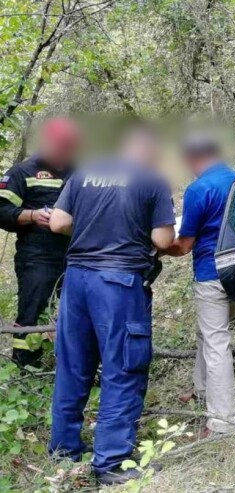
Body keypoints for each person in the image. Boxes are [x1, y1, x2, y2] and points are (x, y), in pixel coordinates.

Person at [48, 126, 175, 485]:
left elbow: (58, 222)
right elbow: (162, 238)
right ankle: (112, 461)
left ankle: (64, 451)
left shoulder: (84, 173)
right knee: (123, 367)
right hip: (118, 284)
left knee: (73, 365)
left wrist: (91, 232)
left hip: (77, 281)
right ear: (149, 151)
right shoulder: (152, 181)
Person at [163, 134, 235, 436]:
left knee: (217, 341)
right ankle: (201, 389)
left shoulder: (199, 189)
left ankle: (222, 422)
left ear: (192, 159)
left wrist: (160, 247)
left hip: (212, 273)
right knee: (208, 332)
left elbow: (183, 245)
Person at [0, 118, 79, 366]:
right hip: (37, 258)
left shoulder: (80, 172)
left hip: (77, 256)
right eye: (59, 144)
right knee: (32, 313)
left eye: (68, 145)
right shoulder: (22, 172)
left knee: (76, 313)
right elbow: (2, 210)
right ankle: (25, 368)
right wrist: (32, 216)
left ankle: (69, 365)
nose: (64, 150)